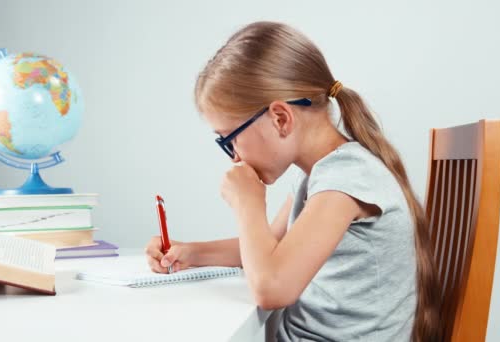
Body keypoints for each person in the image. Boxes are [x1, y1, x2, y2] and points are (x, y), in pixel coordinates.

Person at [144, 21, 441, 341]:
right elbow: (273, 247)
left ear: (280, 118)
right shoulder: (322, 174)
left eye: (229, 140)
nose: (234, 157)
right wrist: (190, 252)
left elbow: (271, 288)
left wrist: (248, 202)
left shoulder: (345, 180)